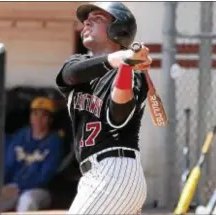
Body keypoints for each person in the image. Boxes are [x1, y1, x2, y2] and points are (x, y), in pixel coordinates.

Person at [55, 2, 153, 214]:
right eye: (86, 19)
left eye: (98, 18)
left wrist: (126, 66)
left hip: (114, 170)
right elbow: (69, 74)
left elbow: (118, 115)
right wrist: (120, 58)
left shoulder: (133, 73)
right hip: (95, 176)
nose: (87, 21)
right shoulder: (76, 63)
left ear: (119, 29)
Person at [3, 97, 63, 212]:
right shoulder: (20, 136)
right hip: (13, 186)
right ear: (30, 117)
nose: (39, 119)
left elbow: (45, 176)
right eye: (35, 114)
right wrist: (2, 185)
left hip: (39, 190)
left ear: (50, 120)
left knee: (27, 201)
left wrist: (19, 187)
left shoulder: (54, 141)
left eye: (44, 115)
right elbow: (7, 164)